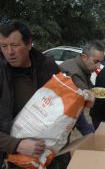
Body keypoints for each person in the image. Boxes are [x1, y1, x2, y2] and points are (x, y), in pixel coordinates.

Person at [0, 20, 69, 168]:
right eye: (4, 46)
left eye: (15, 45)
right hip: (18, 160)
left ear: (29, 44)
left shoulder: (48, 65)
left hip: (55, 157)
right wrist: (17, 145)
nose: (9, 52)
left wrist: (82, 98)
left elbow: (66, 98)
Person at [60, 40, 104, 135]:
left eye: (100, 62)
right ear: (84, 57)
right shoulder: (74, 73)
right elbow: (87, 102)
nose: (98, 66)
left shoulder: (82, 67)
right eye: (96, 62)